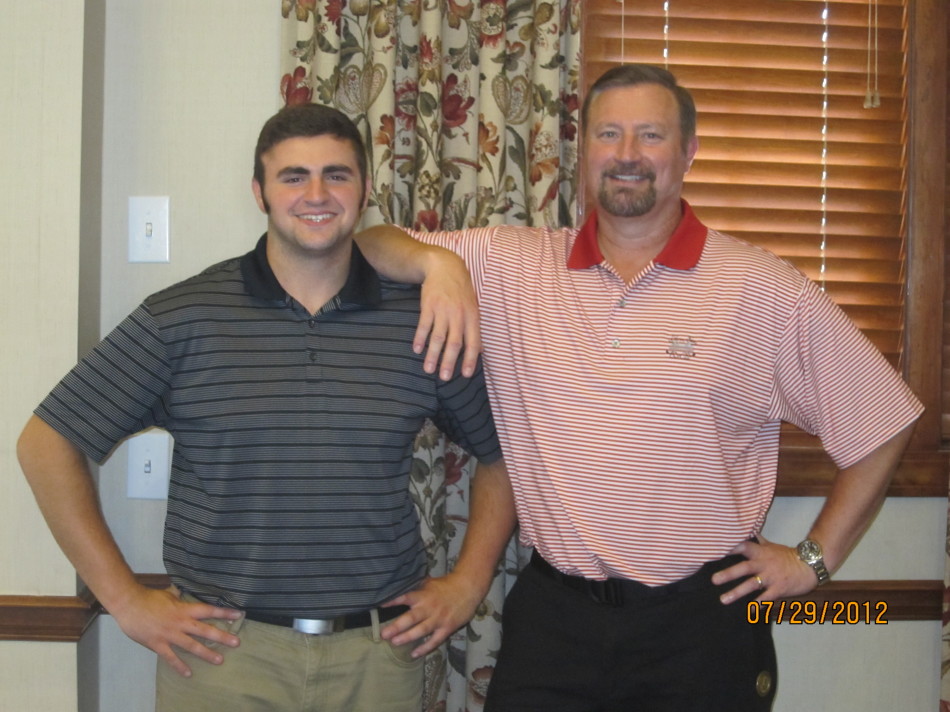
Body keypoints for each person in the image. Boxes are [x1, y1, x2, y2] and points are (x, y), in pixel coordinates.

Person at [355, 64, 924, 711]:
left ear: (688, 151)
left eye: (650, 135)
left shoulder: (761, 288)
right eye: (608, 134)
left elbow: (883, 421)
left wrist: (812, 561)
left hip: (701, 624)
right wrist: (438, 264)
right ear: (583, 151)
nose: (626, 154)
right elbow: (368, 245)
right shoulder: (511, 264)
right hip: (556, 619)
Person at [17, 103, 516, 712]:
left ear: (364, 191)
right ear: (259, 193)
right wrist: (124, 599)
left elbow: (502, 455)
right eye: (293, 176)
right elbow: (46, 442)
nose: (316, 194)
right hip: (223, 658)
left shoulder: (421, 321)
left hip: (377, 658)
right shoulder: (184, 318)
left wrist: (467, 584)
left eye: (336, 175)